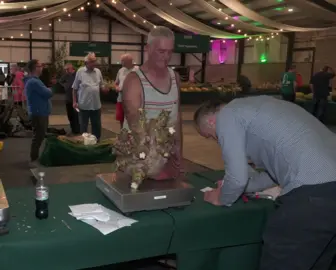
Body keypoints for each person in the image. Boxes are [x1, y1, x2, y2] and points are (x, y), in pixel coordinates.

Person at [193, 95, 336, 270]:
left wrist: (221, 197)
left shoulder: (228, 115)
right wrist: (242, 187)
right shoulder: (262, 105)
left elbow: (237, 178)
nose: (218, 141)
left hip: (313, 195)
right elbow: (274, 174)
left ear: (212, 122)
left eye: (212, 136)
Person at [122, 26, 183, 179]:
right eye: (161, 51)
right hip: (139, 156)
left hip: (165, 154)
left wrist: (178, 153)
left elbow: (177, 118)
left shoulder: (174, 77)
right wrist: (153, 165)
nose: (166, 57)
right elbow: (136, 127)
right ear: (148, 48)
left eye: (170, 52)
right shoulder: (134, 80)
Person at [72, 52, 109, 140]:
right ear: (86, 63)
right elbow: (74, 88)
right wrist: (74, 101)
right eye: (92, 62)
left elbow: (101, 85)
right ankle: (84, 145)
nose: (94, 63)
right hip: (83, 105)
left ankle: (97, 143)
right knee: (83, 128)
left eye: (94, 61)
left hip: (96, 105)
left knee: (97, 127)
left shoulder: (98, 72)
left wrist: (104, 89)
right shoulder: (80, 71)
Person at [24, 59, 52, 167]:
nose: (42, 68)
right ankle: (33, 159)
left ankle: (34, 158)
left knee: (39, 136)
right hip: (38, 113)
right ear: (35, 68)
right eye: (40, 66)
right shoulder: (34, 81)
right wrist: (49, 89)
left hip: (40, 112)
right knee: (38, 137)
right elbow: (48, 93)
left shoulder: (34, 81)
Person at [115, 54, 138, 128]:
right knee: (121, 119)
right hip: (121, 99)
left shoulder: (138, 70)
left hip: (133, 101)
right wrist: (117, 88)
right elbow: (116, 83)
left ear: (129, 61)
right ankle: (123, 135)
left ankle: (132, 136)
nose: (121, 62)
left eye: (123, 61)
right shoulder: (121, 70)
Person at [59, 63, 79, 135]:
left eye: (68, 69)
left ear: (72, 68)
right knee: (70, 115)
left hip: (76, 99)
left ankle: (77, 130)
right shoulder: (66, 76)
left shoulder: (77, 75)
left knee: (76, 115)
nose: (66, 71)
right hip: (68, 99)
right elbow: (60, 81)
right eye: (65, 70)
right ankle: (73, 129)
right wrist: (65, 85)